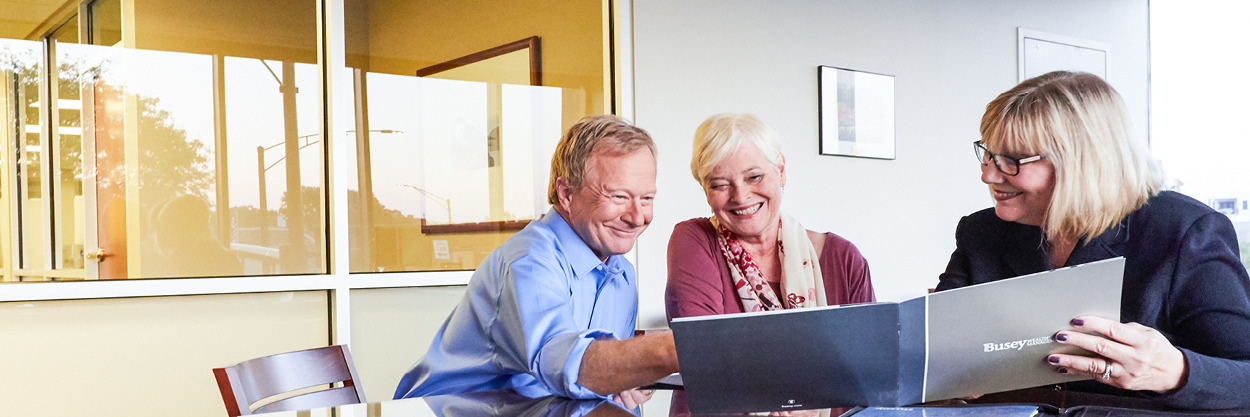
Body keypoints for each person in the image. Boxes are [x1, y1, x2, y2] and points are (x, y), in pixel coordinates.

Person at [938, 71, 1250, 410]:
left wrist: (1177, 372)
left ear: (1082, 163)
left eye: (1012, 161)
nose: (987, 174)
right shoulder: (981, 232)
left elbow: (1243, 375)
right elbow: (933, 352)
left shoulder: (1185, 231)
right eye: (988, 153)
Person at [394, 115, 679, 409]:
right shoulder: (529, 261)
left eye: (646, 199)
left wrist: (625, 380)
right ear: (566, 193)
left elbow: (591, 380)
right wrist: (678, 349)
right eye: (619, 196)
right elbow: (566, 364)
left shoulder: (622, 272)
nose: (637, 217)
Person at [664, 113, 876, 416]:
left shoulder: (844, 259)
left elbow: (872, 375)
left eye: (754, 177)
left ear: (781, 171)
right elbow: (704, 356)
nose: (741, 196)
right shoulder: (695, 241)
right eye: (720, 184)